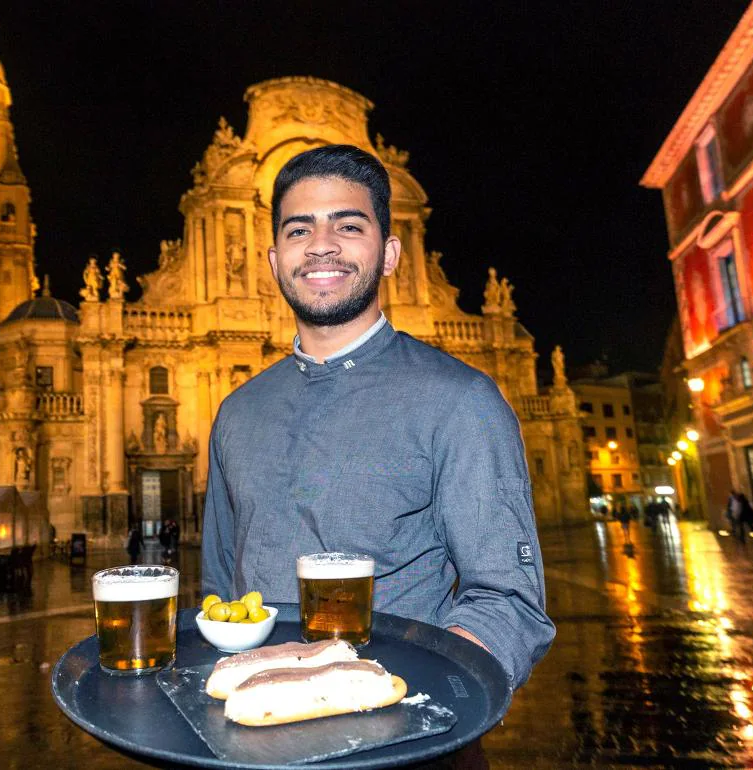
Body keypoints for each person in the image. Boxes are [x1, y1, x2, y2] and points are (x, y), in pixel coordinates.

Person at [202, 145, 555, 717]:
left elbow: (508, 603)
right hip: (256, 732)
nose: (321, 245)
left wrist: (418, 702)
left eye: (348, 225)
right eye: (299, 230)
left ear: (390, 253)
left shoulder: (461, 400)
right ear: (272, 260)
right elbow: (218, 585)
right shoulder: (237, 411)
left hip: (404, 735)